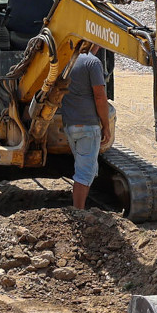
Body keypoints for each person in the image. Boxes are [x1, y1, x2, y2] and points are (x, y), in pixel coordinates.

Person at [59, 50, 111, 209]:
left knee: (84, 168)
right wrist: (106, 125)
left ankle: (78, 208)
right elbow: (100, 97)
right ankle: (78, 212)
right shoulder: (92, 62)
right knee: (84, 173)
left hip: (70, 126)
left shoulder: (63, 60)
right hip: (88, 127)